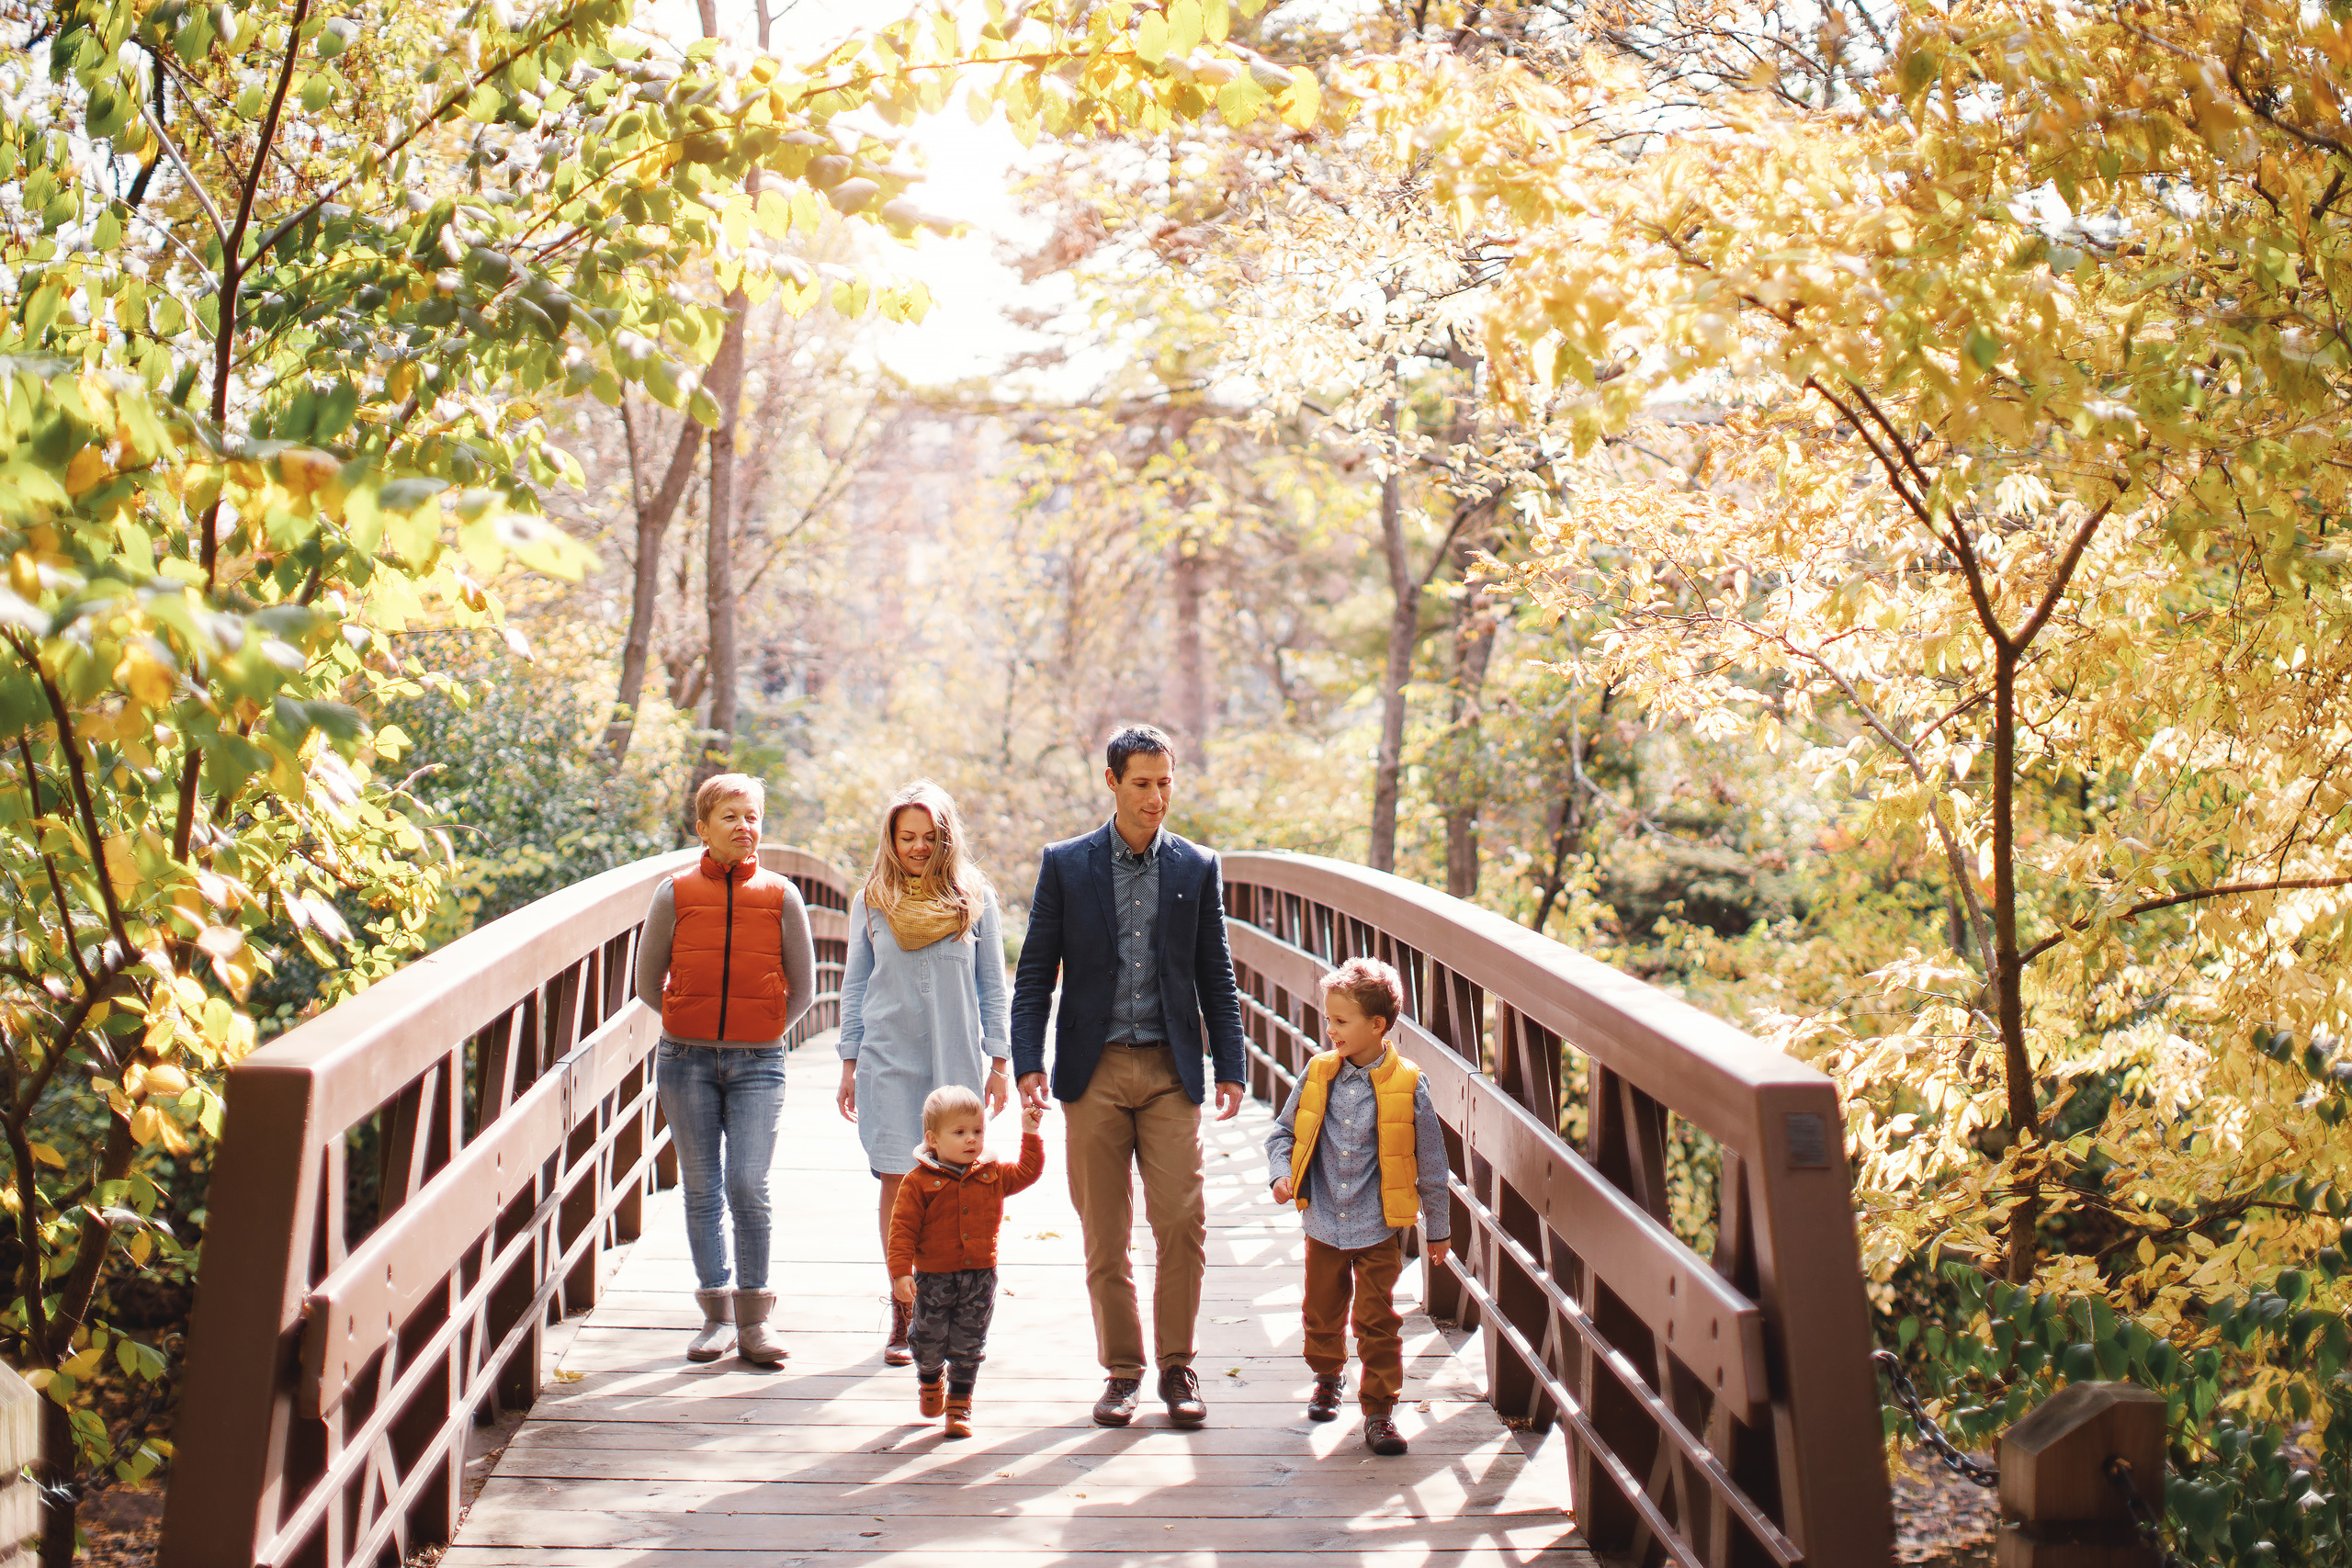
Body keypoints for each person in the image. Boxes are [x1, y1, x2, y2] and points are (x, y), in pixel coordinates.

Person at [1011, 723, 1248, 1429]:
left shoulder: (1197, 866)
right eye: (1142, 784)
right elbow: (1033, 976)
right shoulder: (1066, 863)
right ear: (1111, 782)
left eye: (1166, 782)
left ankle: (1178, 1366)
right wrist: (1028, 1061)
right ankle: (1123, 1370)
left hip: (1173, 1068)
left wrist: (1230, 1064)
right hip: (1095, 1069)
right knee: (1105, 1233)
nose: (1156, 797)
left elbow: (1218, 973)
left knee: (1181, 1220)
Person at [636, 773, 817, 1366]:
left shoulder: (782, 893)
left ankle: (755, 1321)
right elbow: (645, 982)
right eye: (731, 816)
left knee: (748, 1183)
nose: (745, 826)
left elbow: (807, 989)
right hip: (684, 1059)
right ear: (703, 827)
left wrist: (762, 1027)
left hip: (758, 1062)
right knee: (701, 1186)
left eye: (753, 815)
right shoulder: (675, 892)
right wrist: (688, 1016)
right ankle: (715, 1314)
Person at [836, 780, 1012, 1367]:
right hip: (889, 1056)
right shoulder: (871, 898)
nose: (916, 847)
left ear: (946, 838)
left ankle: (949, 1306)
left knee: (952, 1186)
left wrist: (1001, 1062)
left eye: (928, 837)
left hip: (953, 1058)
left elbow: (992, 984)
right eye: (906, 837)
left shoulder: (974, 897)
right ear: (890, 838)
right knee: (897, 1180)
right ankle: (903, 1311)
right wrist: (848, 1062)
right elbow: (856, 984)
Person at [1264, 956, 1453, 1456]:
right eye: (1327, 1019)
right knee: (1321, 1314)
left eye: (1340, 1021)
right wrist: (1282, 1175)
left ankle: (1380, 1412)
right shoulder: (1318, 1072)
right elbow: (1282, 1133)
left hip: (1378, 1225)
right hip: (1323, 1219)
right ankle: (1328, 1377)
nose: (1329, 1030)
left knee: (1378, 1319)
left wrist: (1439, 1229)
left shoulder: (1410, 1084)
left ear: (1377, 1025)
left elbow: (1433, 1163)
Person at [886, 1084, 1047, 1438]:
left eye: (977, 1131)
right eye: (959, 1133)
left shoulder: (990, 1174)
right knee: (928, 1339)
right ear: (933, 1139)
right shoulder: (919, 1183)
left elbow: (1027, 1172)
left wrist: (1030, 1133)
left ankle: (960, 1404)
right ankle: (930, 1378)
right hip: (933, 1278)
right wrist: (900, 1274)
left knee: (969, 1341)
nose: (971, 1139)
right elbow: (901, 1230)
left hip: (980, 1278)